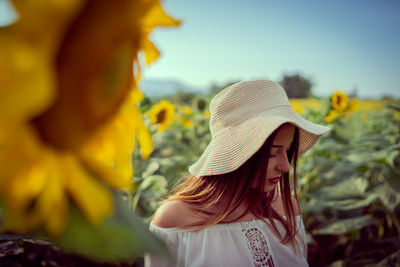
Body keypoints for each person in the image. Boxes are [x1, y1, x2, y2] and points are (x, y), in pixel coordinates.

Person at [145, 80, 330, 267]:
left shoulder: (286, 208)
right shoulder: (176, 220)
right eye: (272, 153)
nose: (285, 166)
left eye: (287, 150)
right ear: (236, 152)